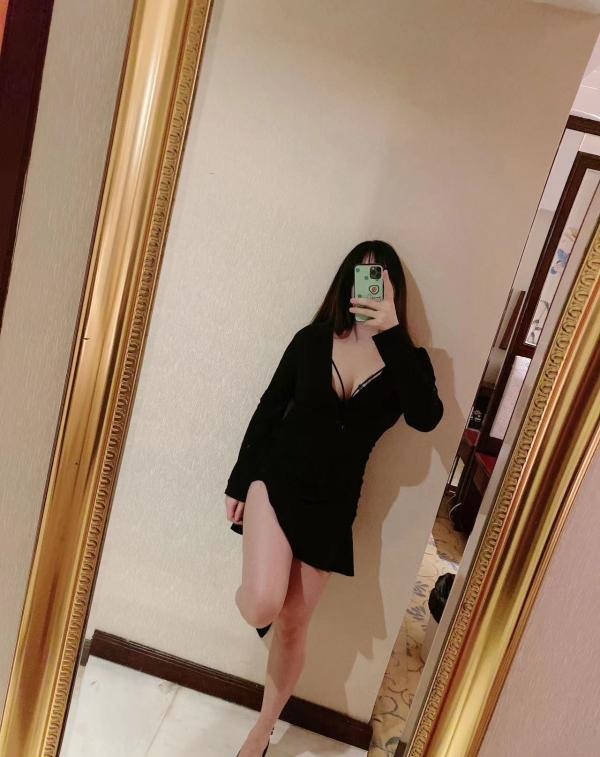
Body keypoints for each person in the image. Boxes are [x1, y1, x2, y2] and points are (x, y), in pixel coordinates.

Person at [225, 240, 443, 757]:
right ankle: (257, 596)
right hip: (276, 481)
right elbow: (270, 407)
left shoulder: (408, 361)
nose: (368, 286)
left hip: (332, 507)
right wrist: (239, 479)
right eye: (360, 276)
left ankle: (262, 731)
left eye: (379, 277)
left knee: (293, 626)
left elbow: (425, 416)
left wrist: (391, 333)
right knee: (262, 603)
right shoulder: (311, 340)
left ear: (392, 289)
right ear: (346, 283)